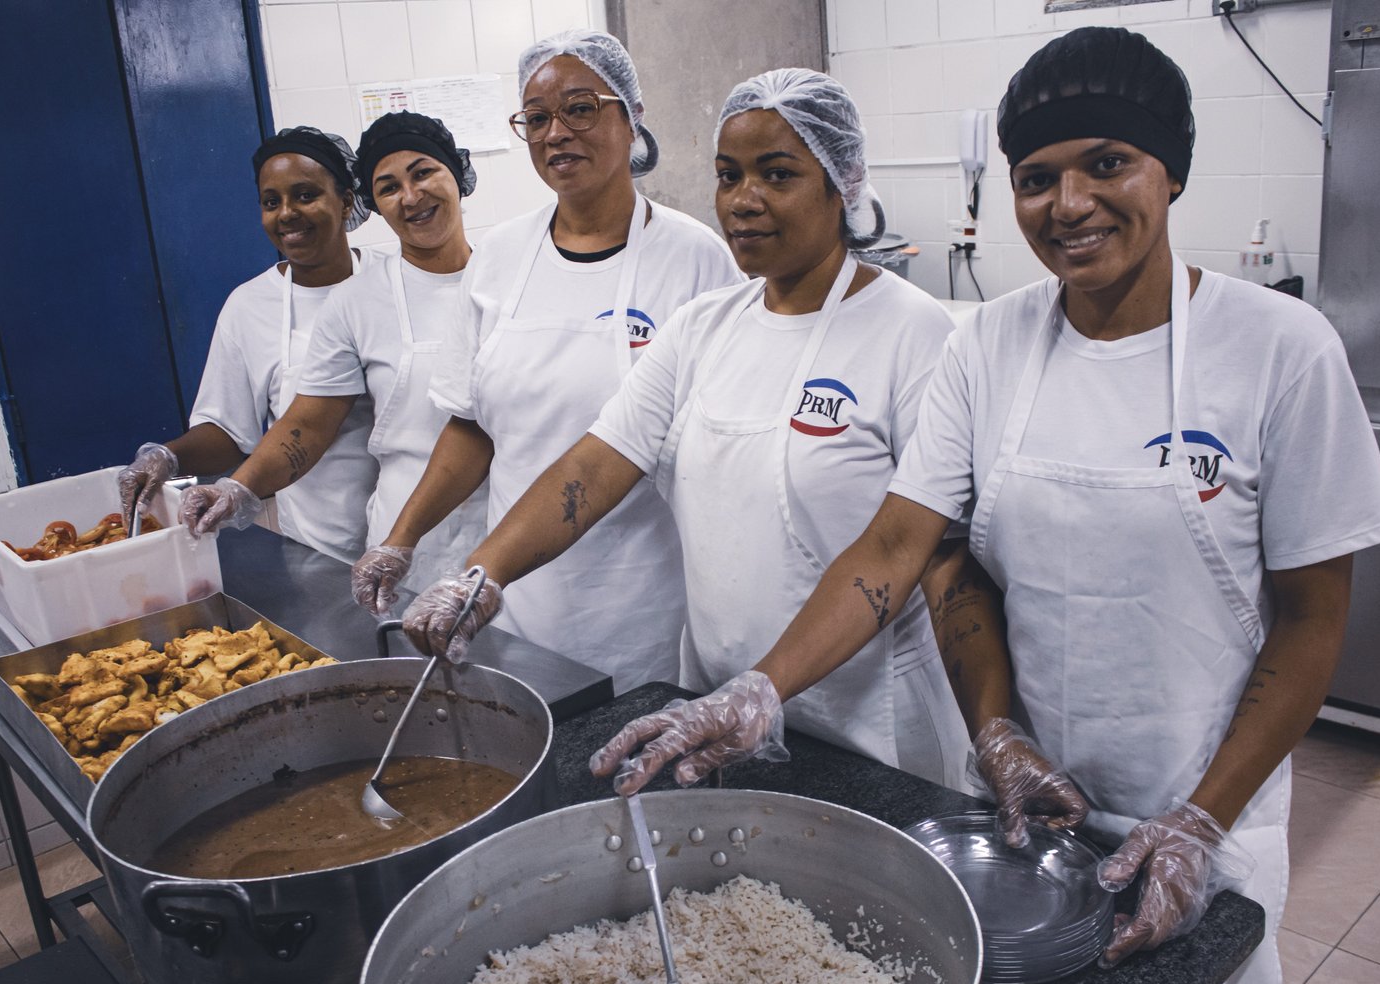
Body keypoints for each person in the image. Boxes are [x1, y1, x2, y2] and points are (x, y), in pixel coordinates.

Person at [593, 27, 1380, 984]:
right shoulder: (988, 344)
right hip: (1023, 812)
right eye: (1035, 177)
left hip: (1207, 802)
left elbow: (1312, 618)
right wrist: (969, 729)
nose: (1069, 204)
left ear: (1171, 169)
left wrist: (1199, 822)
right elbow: (910, 549)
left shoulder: (1280, 351)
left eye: (1106, 163)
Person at [397, 69, 973, 786]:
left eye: (777, 174)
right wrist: (482, 575)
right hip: (712, 711)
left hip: (865, 724)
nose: (743, 200)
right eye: (729, 176)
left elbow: (905, 547)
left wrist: (763, 687)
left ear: (842, 184)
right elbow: (595, 465)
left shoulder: (913, 333)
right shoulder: (705, 327)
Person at [351, 30, 741, 689]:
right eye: (536, 118)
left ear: (632, 117)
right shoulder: (500, 259)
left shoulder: (697, 259)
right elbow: (471, 426)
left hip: (647, 599)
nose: (556, 132)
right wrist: (400, 538)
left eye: (580, 108)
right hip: (512, 592)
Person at [175, 113, 485, 594]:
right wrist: (237, 487)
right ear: (374, 204)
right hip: (397, 542)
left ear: (457, 175)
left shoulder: (505, 277)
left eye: (424, 172)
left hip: (503, 524)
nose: (410, 196)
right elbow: (310, 421)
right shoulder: (356, 301)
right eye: (388, 187)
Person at [117, 127, 378, 563]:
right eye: (271, 202)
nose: (287, 213)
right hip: (322, 546)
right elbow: (228, 429)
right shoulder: (249, 306)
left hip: (424, 533)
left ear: (347, 201)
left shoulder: (390, 280)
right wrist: (169, 456)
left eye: (306, 195)